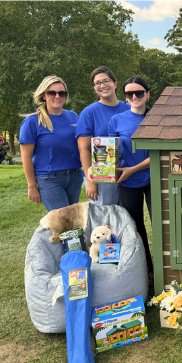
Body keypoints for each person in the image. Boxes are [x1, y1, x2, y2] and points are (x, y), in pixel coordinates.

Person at [107, 76, 154, 277]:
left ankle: (166, 268)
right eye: (129, 93)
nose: (135, 96)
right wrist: (98, 170)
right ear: (125, 97)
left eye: (139, 93)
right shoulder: (116, 120)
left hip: (154, 179)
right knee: (135, 227)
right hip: (126, 181)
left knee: (160, 224)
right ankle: (147, 269)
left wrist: (133, 169)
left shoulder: (157, 118)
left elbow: (161, 153)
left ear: (147, 94)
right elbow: (109, 152)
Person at [18, 76, 82, 211]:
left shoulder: (73, 117)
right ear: (44, 95)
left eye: (61, 93)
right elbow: (26, 156)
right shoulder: (32, 121)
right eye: (52, 92)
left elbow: (82, 146)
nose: (57, 96)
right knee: (63, 221)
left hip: (75, 176)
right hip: (49, 179)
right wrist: (32, 185)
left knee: (72, 220)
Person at [76, 66, 130, 206]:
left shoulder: (129, 109)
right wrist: (91, 181)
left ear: (115, 83)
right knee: (106, 220)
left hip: (128, 174)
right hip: (102, 176)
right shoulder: (89, 113)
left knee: (128, 219)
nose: (102, 85)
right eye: (97, 83)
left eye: (106, 81)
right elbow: (84, 149)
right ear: (94, 87)